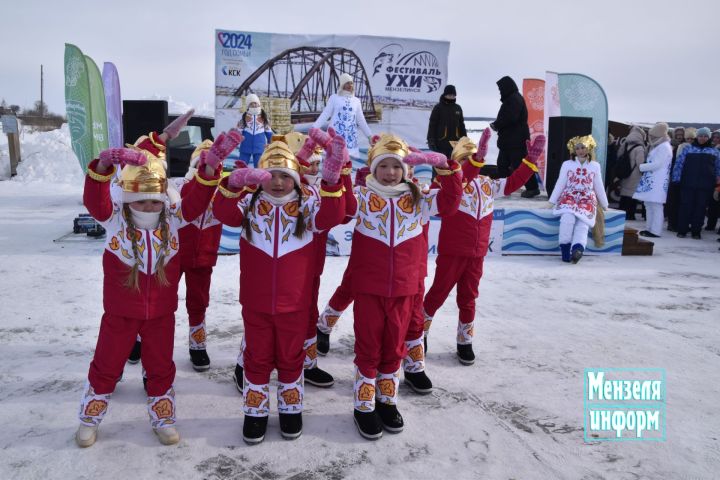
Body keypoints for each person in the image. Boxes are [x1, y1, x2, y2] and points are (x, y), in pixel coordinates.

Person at [74, 119, 235, 448]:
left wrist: (210, 169)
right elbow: (95, 201)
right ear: (127, 196)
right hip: (120, 315)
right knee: (106, 365)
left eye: (154, 200)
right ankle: (90, 417)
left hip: (161, 315)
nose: (148, 206)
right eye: (141, 200)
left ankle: (163, 415)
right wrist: (104, 164)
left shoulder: (173, 220)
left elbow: (196, 201)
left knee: (161, 367)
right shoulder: (115, 219)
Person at [213, 132, 347, 444]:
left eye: (284, 176)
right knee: (257, 359)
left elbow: (334, 214)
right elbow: (222, 213)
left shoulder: (308, 205)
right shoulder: (249, 203)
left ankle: (290, 409)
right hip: (256, 303)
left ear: (295, 179)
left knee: (291, 358)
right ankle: (255, 412)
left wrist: (330, 180)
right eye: (270, 175)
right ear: (258, 178)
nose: (277, 182)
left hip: (294, 305)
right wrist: (232, 185)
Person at [345, 133, 462, 440]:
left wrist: (447, 170)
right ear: (373, 168)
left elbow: (449, 205)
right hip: (370, 288)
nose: (390, 172)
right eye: (383, 166)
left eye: (396, 166)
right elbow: (340, 209)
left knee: (395, 348)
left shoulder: (418, 197)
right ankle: (363, 405)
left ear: (406, 169)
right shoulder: (362, 196)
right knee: (369, 346)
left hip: (404, 288)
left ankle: (386, 400)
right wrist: (338, 174)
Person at [423, 130, 545, 365]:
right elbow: (461, 180)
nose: (472, 164)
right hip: (453, 252)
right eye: (466, 160)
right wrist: (474, 162)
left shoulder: (487, 184)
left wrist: (529, 162)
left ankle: (465, 340)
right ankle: (419, 333)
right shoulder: (447, 184)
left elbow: (512, 183)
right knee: (437, 294)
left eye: (475, 159)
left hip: (477, 254)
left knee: (468, 298)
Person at [548, 135, 609, 263]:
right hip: (569, 196)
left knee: (583, 223)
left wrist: (604, 203)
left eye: (583, 147)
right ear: (573, 150)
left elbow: (598, 185)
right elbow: (560, 183)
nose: (580, 151)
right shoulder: (567, 164)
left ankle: (578, 249)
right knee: (567, 219)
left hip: (587, 198)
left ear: (589, 148)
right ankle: (565, 250)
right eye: (577, 148)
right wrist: (552, 201)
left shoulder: (595, 166)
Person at [489, 76, 537, 198]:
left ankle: (533, 188)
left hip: (516, 140)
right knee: (502, 165)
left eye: (501, 88)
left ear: (507, 87)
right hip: (509, 141)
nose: (500, 91)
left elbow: (510, 117)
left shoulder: (514, 99)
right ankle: (504, 188)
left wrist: (496, 124)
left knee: (519, 165)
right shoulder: (511, 99)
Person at [671, 127, 720, 239]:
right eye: (700, 136)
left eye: (705, 136)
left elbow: (718, 168)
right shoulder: (688, 149)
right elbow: (679, 165)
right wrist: (676, 179)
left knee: (701, 208)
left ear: (708, 137)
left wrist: (717, 182)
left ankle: (696, 231)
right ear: (696, 137)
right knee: (685, 207)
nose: (702, 138)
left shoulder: (714, 152)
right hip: (688, 183)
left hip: (705, 186)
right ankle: (682, 230)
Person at [313, 73, 372, 160]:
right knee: (333, 162)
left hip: (351, 141)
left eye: (351, 83)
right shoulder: (334, 98)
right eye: (347, 83)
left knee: (348, 165)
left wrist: (369, 136)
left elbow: (361, 120)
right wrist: (314, 128)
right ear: (342, 84)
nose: (350, 85)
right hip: (335, 137)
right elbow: (325, 114)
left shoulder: (356, 101)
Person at [633, 122, 672, 238]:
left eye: (653, 136)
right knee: (649, 204)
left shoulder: (664, 147)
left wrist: (641, 166)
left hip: (657, 180)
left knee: (655, 205)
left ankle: (655, 230)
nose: (651, 139)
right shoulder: (660, 146)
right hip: (652, 179)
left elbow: (658, 164)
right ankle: (649, 228)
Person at [426, 84, 467, 159]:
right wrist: (430, 139)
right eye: (449, 95)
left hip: (455, 143)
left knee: (454, 165)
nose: (451, 96)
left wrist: (465, 139)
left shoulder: (458, 108)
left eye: (453, 95)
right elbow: (432, 124)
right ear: (445, 95)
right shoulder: (438, 107)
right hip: (441, 142)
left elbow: (461, 124)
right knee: (440, 165)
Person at [616, 126, 647, 220]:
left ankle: (621, 214)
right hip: (634, 175)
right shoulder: (639, 148)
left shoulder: (625, 144)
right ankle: (630, 215)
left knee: (624, 195)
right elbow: (640, 164)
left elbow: (618, 156)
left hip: (624, 174)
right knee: (632, 196)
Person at [237, 94, 273, 167]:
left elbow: (269, 133)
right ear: (248, 106)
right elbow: (238, 132)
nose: (254, 105)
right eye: (251, 104)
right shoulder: (244, 118)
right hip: (245, 146)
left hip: (260, 147)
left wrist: (271, 143)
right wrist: (235, 140)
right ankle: (240, 177)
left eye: (255, 103)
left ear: (259, 104)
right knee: (241, 166)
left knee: (259, 166)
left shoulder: (264, 118)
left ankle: (259, 178)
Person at [666, 126, 686, 231]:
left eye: (681, 135)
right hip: (672, 177)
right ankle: (671, 223)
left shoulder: (686, 146)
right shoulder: (670, 145)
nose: (679, 136)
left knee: (680, 202)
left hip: (683, 178)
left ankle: (678, 223)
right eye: (677, 134)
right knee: (672, 201)